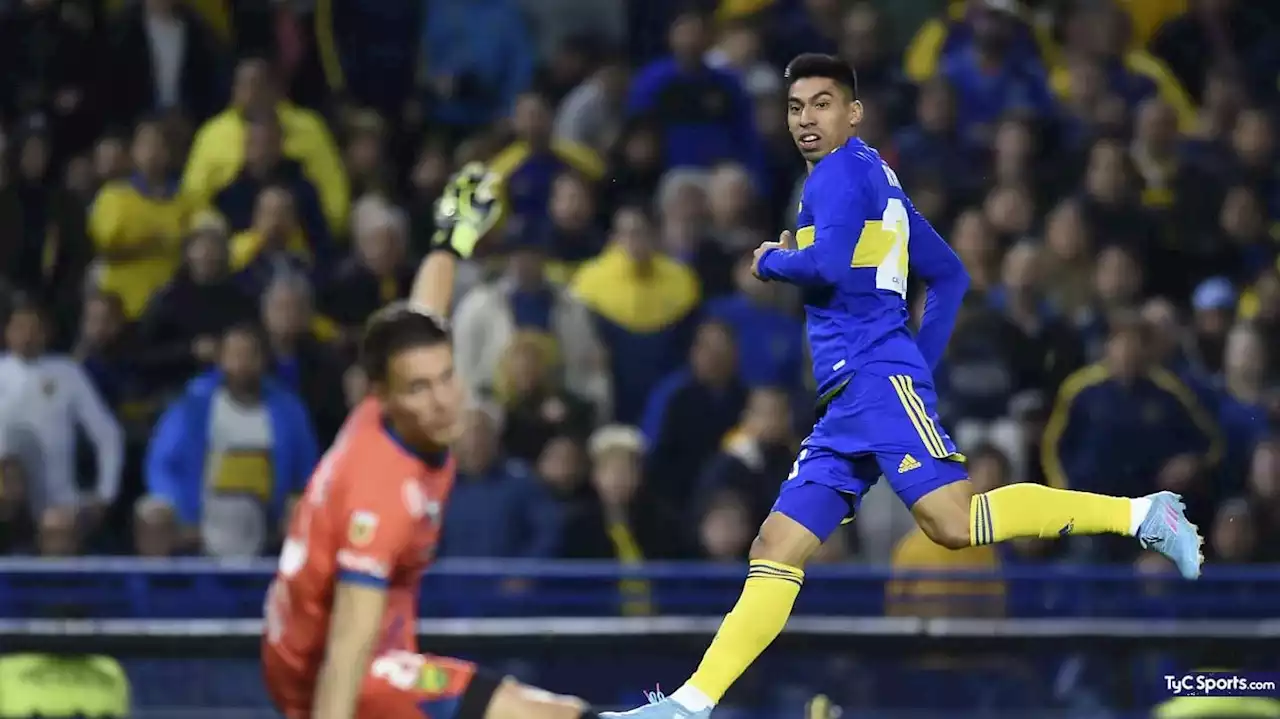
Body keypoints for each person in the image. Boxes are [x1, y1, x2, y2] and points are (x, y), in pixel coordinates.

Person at [604, 53, 1203, 719]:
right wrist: (918, 361)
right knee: (776, 543)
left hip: (872, 381)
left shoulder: (835, 177)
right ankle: (690, 704)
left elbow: (829, 264)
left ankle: (1144, 515)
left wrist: (775, 261)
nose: (807, 118)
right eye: (796, 106)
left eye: (823, 103)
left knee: (953, 521)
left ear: (853, 112)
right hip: (851, 398)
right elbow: (947, 275)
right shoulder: (875, 178)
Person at [260, 165, 603, 719]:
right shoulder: (383, 495)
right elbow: (348, 647)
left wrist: (452, 239)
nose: (443, 399)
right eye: (420, 389)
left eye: (447, 377)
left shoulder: (385, 407)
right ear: (387, 396)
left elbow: (425, 314)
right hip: (334, 673)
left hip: (333, 649)